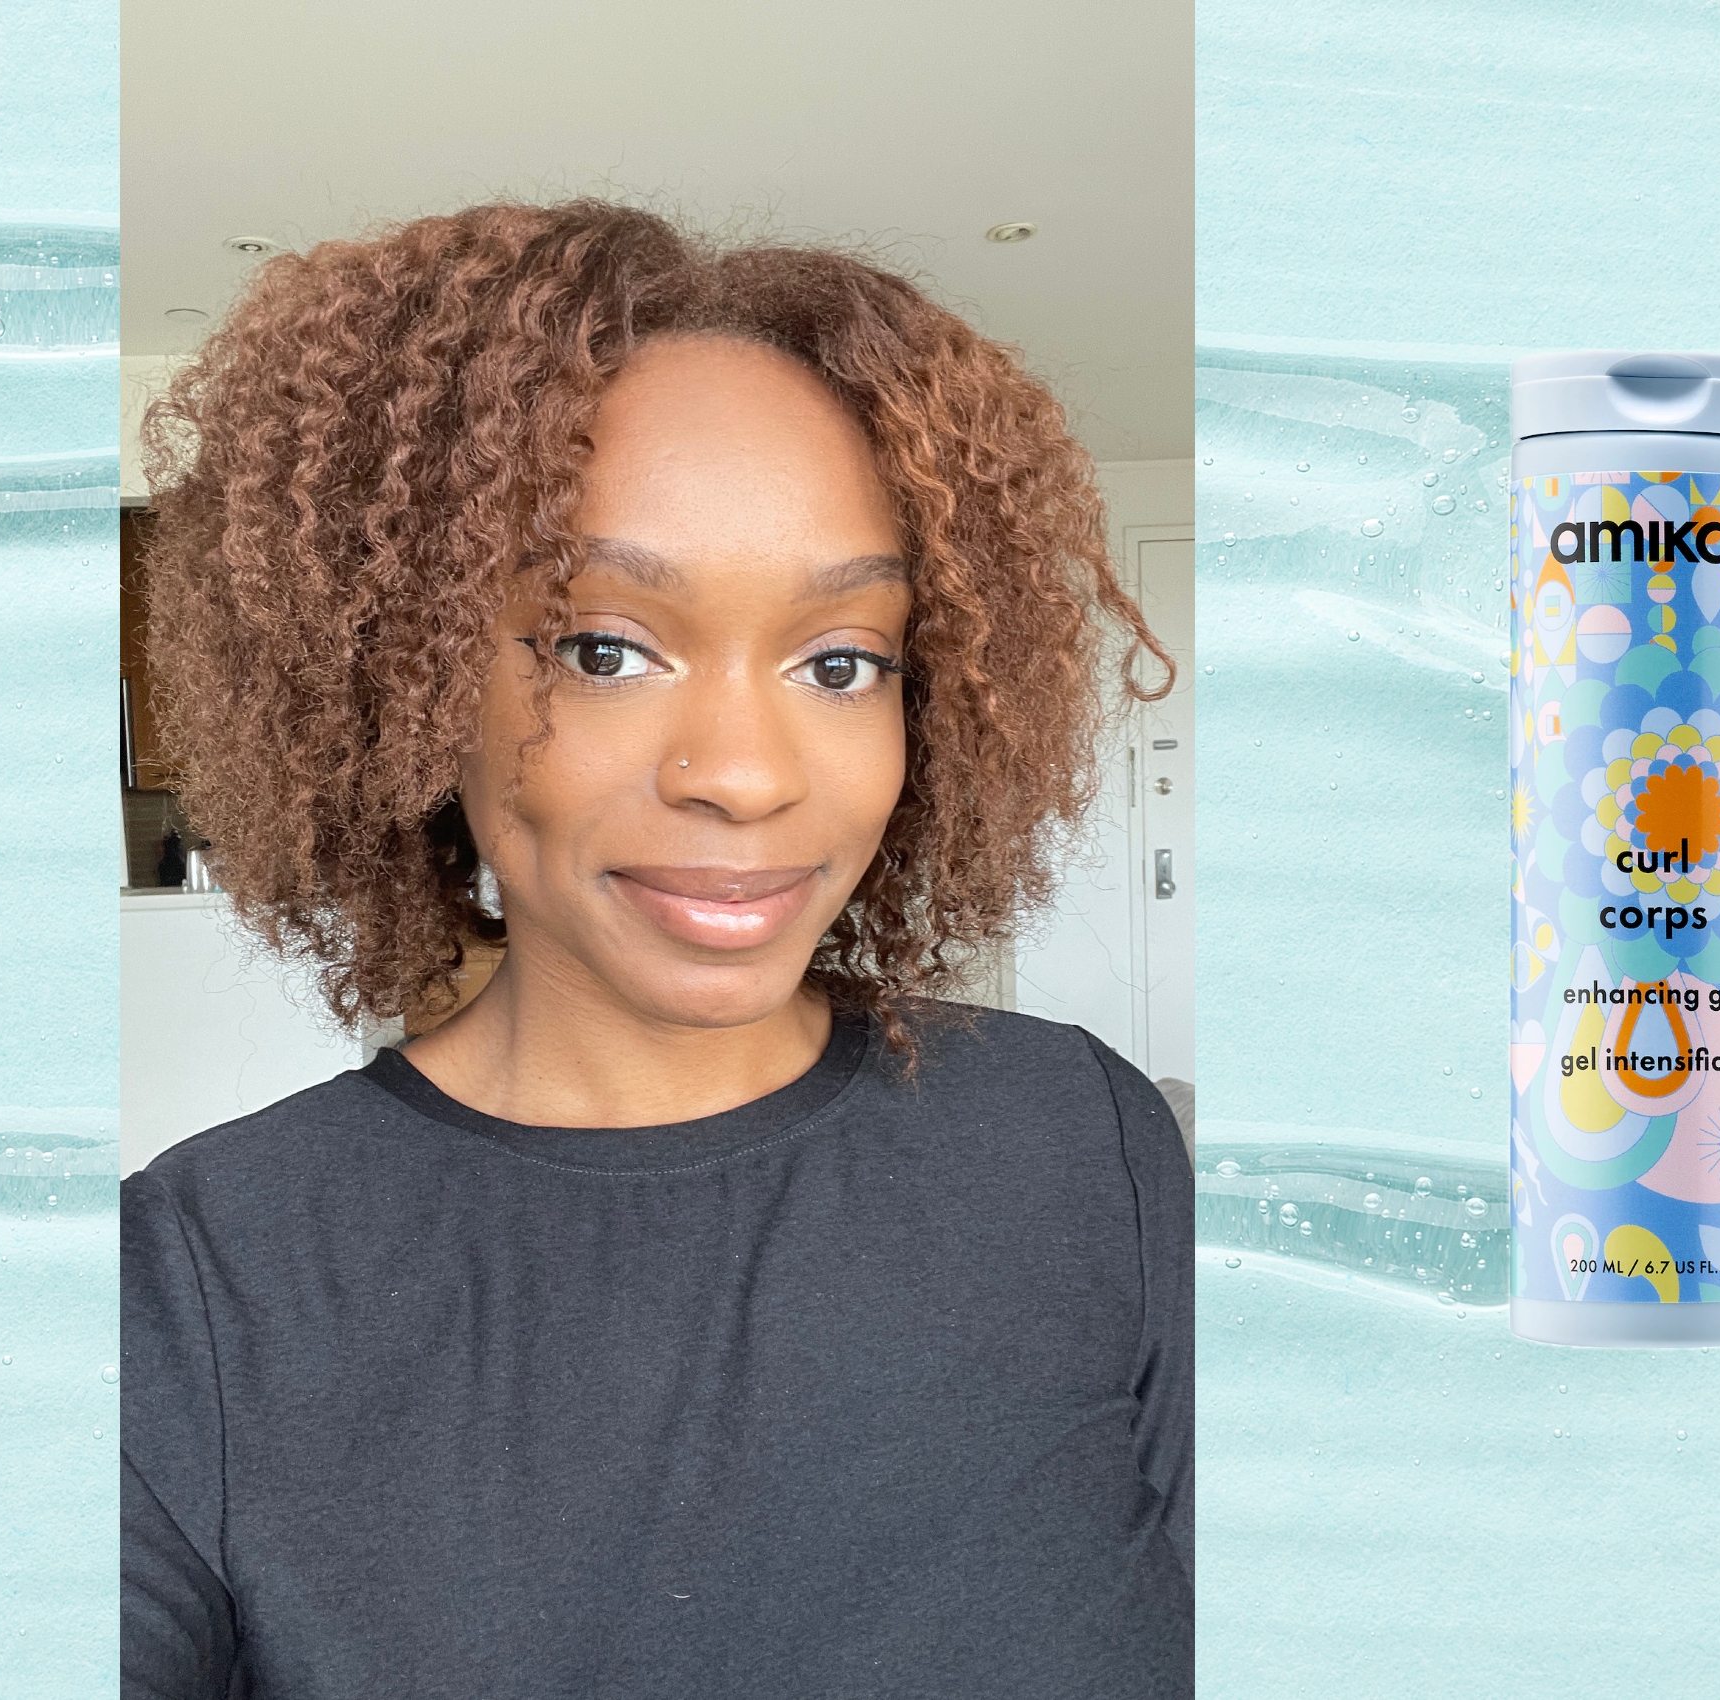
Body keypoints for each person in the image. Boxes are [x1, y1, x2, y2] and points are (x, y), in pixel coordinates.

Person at [123, 199, 1190, 1699]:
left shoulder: (1082, 1144)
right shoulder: (200, 1284)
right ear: (406, 685)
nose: (744, 776)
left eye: (841, 662)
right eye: (604, 648)